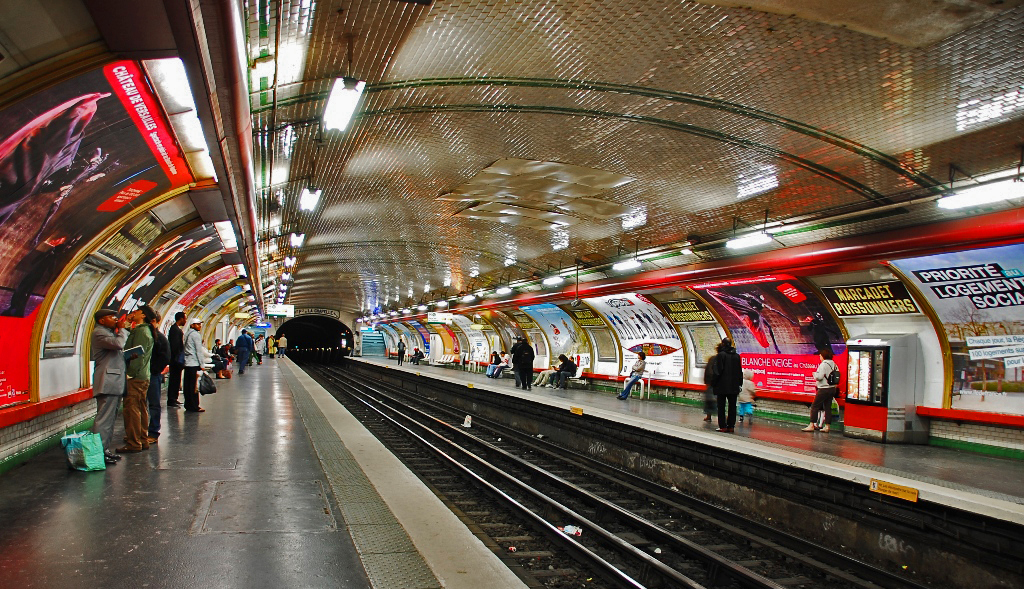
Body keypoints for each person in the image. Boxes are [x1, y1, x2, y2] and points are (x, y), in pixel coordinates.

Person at [89, 309, 128, 465]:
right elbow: (118, 344)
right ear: (102, 320)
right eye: (111, 317)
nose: (115, 319)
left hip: (114, 381)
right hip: (107, 382)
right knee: (104, 419)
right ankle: (98, 452)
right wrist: (123, 329)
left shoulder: (108, 332)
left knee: (110, 419)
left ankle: (104, 449)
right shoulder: (99, 333)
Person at [119, 306, 155, 454]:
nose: (132, 313)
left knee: (131, 409)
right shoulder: (145, 330)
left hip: (136, 376)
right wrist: (127, 326)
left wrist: (130, 374)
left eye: (136, 311)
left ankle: (134, 442)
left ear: (143, 315)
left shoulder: (141, 331)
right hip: (144, 375)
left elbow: (136, 355)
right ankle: (143, 439)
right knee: (140, 407)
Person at [708, 338, 742, 433]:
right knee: (732, 406)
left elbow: (717, 371)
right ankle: (731, 426)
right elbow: (739, 372)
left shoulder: (721, 355)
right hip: (734, 386)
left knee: (721, 407)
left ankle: (722, 426)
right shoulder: (737, 356)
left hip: (722, 386)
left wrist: (713, 383)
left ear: (723, 344)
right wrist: (740, 384)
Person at [146, 311, 170, 444]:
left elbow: (166, 356)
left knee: (154, 404)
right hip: (146, 374)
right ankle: (144, 431)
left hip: (153, 375)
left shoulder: (159, 338)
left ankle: (153, 432)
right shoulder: (146, 336)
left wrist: (155, 371)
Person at [804, 348, 839, 433]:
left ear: (823, 356)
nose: (819, 357)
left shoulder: (823, 365)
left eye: (820, 355)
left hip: (823, 389)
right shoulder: (834, 364)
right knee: (828, 407)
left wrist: (814, 374)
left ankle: (812, 424)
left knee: (815, 406)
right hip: (832, 388)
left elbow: (819, 377)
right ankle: (827, 426)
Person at [183, 318, 206, 413]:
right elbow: (198, 351)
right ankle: (194, 406)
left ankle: (188, 404)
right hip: (194, 363)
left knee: (187, 385)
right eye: (197, 324)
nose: (199, 326)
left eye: (200, 324)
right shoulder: (196, 335)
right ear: (192, 325)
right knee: (194, 386)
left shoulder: (187, 334)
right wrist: (202, 364)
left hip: (187, 363)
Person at [166, 312, 186, 408]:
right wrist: (178, 357)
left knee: (176, 379)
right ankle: (172, 399)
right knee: (174, 379)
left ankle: (174, 398)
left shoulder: (175, 329)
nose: (185, 321)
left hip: (176, 359)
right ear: (181, 319)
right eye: (184, 319)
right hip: (175, 360)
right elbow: (175, 346)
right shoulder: (175, 330)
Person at [702, 354, 718, 422]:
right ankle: (721, 417)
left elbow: (707, 372)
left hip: (711, 384)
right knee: (716, 402)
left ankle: (709, 416)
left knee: (709, 401)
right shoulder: (719, 360)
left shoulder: (712, 359)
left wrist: (707, 381)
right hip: (717, 384)